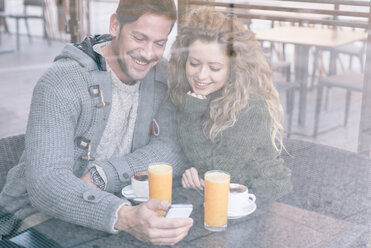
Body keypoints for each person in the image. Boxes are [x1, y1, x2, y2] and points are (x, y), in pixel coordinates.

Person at [0, 0, 193, 245]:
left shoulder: (162, 77)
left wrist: (103, 175)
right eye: (139, 38)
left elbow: (172, 148)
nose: (148, 53)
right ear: (115, 25)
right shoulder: (62, 82)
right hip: (29, 223)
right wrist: (123, 216)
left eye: (159, 43)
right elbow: (46, 183)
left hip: (110, 216)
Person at [168, 7, 292, 202]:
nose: (201, 75)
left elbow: (217, 172)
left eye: (214, 67)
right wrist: (191, 171)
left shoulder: (252, 106)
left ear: (233, 68)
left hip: (268, 201)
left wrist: (189, 117)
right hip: (225, 198)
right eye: (194, 63)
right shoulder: (194, 94)